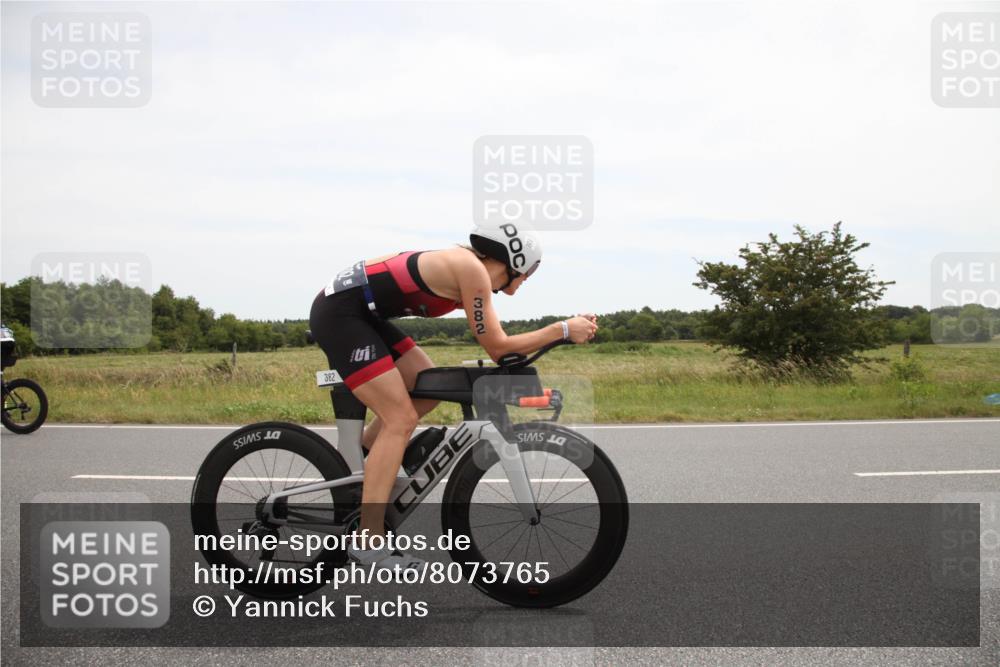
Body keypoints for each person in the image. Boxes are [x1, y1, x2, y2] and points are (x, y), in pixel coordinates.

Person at [308, 223, 598, 570]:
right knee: (401, 419)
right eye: (526, 273)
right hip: (342, 314)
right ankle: (368, 541)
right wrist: (562, 329)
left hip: (363, 314)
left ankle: (366, 468)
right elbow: (498, 346)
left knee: (425, 385)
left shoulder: (469, 272)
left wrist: (561, 333)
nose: (523, 282)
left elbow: (502, 349)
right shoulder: (471, 269)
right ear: (513, 259)